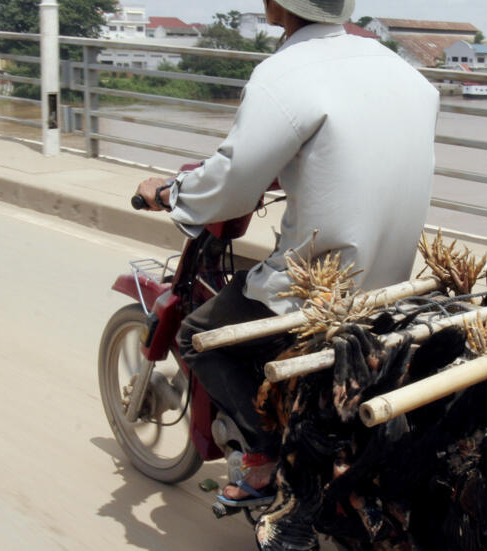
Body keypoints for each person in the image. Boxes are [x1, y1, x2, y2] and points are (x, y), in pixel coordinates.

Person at [134, 0, 439, 505]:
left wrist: (169, 192)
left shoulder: (283, 73)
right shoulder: (401, 71)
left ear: (276, 6)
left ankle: (265, 456)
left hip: (319, 285)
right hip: (391, 278)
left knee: (198, 335)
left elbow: (231, 180)